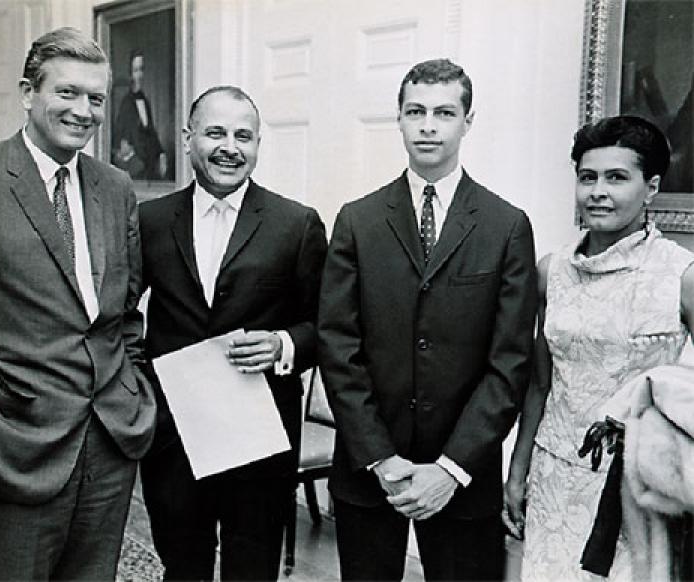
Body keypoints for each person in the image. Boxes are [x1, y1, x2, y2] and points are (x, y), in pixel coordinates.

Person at [0, 27, 156, 580]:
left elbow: (125, 310)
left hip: (111, 439)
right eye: (67, 92)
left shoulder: (115, 187)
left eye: (95, 98)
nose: (83, 110)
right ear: (27, 93)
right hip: (13, 444)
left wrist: (130, 385)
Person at [318, 58, 538, 581]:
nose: (428, 125)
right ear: (398, 118)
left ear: (467, 121)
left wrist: (451, 468)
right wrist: (379, 458)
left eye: (444, 112)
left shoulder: (506, 226)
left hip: (463, 473)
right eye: (415, 111)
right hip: (371, 473)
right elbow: (337, 344)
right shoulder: (358, 220)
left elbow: (509, 361)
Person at [138, 85, 327, 581]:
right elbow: (118, 315)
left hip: (259, 437)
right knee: (182, 565)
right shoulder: (150, 221)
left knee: (253, 567)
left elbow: (326, 325)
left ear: (259, 144)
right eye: (216, 132)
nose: (230, 146)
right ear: (189, 138)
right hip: (172, 437)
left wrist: (283, 345)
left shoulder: (296, 224)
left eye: (244, 136)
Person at [503, 115, 694, 581]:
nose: (598, 191)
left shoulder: (680, 275)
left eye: (616, 177)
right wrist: (518, 468)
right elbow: (541, 382)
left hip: (633, 485)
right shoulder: (553, 270)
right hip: (553, 473)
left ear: (650, 188)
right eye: (587, 177)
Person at [113, 49, 167, 180]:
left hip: (150, 163)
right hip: (136, 166)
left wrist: (161, 153)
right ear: (130, 74)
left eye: (142, 70)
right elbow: (121, 138)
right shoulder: (126, 103)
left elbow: (151, 131)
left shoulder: (145, 101)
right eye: (136, 70)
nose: (140, 75)